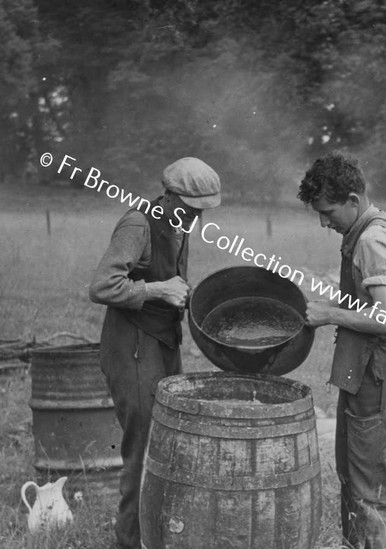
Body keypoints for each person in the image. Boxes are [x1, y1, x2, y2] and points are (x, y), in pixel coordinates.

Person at [89, 157, 221, 549]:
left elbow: (168, 277)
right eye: (192, 210)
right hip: (131, 345)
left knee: (168, 443)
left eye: (202, 212)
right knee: (144, 446)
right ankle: (130, 540)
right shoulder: (139, 223)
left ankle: (158, 535)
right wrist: (157, 290)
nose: (197, 218)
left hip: (163, 342)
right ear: (171, 196)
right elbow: (102, 286)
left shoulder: (180, 225)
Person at [298, 151, 386, 549]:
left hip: (382, 372)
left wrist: (330, 314)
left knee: (375, 490)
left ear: (353, 200)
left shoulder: (372, 240)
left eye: (328, 211)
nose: (324, 222)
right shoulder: (368, 228)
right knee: (356, 477)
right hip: (368, 372)